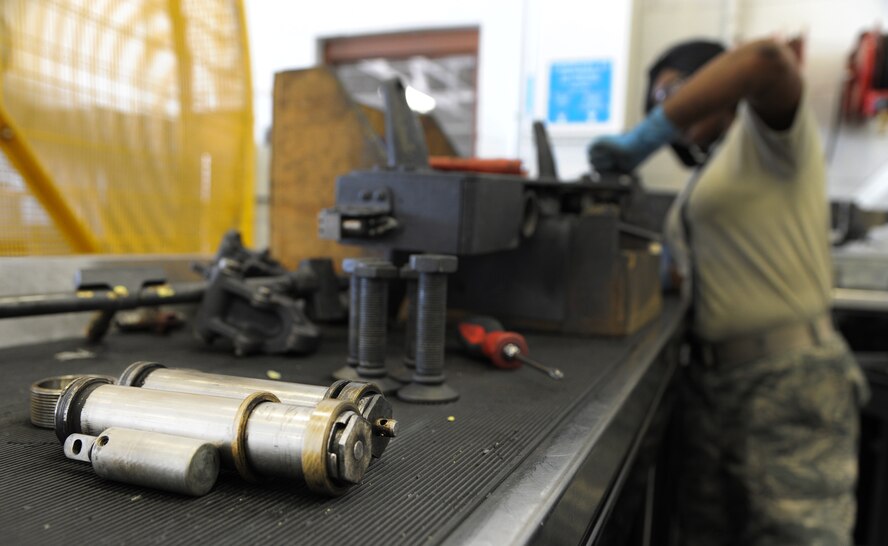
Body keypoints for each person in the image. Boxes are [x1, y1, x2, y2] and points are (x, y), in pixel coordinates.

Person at [588, 38, 870, 545]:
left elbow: (766, 60)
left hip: (788, 382)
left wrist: (646, 136)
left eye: (675, 91)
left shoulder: (768, 137)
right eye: (656, 101)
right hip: (716, 386)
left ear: (717, 80)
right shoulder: (711, 172)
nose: (664, 105)